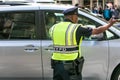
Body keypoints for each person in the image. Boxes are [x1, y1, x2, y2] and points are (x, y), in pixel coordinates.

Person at [49, 7, 117, 80]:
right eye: (76, 16)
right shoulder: (76, 28)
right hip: (71, 68)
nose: (77, 19)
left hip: (56, 67)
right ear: (72, 16)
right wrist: (109, 24)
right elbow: (97, 31)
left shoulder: (53, 28)